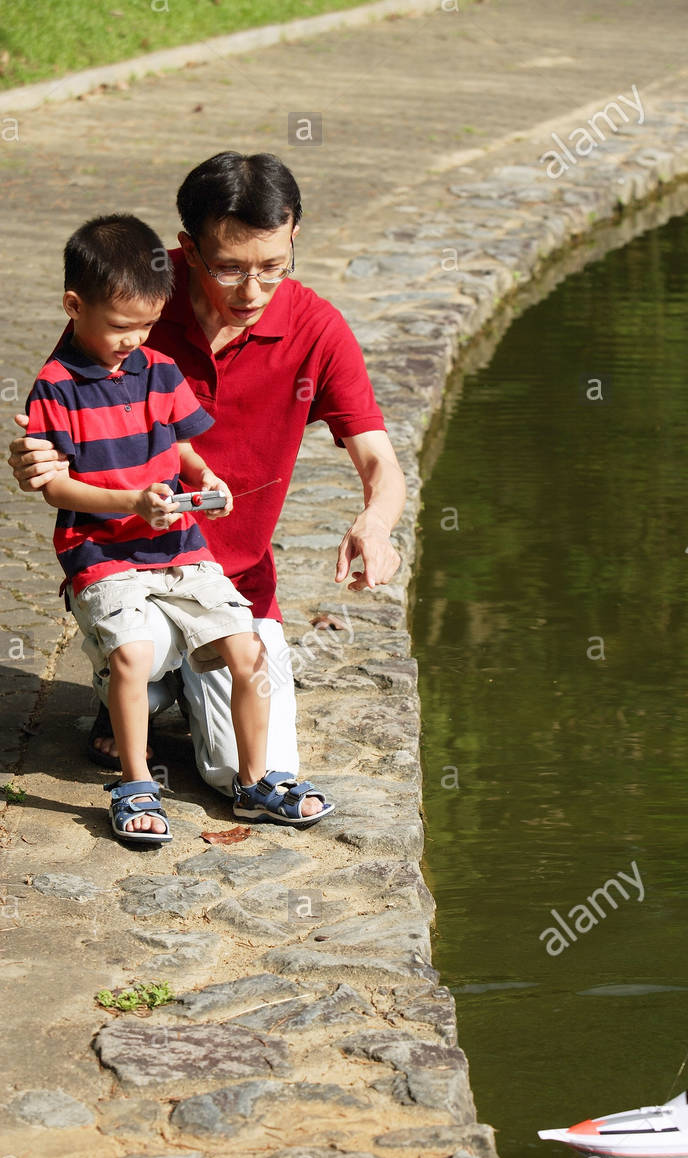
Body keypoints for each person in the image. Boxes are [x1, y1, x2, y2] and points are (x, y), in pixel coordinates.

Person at [8, 151, 405, 820]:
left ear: (293, 238)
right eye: (229, 268)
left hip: (236, 585)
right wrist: (36, 464)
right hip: (125, 563)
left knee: (239, 773)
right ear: (187, 249)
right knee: (141, 657)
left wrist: (377, 520)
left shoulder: (315, 328)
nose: (252, 292)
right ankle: (138, 685)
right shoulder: (129, 297)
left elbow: (377, 457)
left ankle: (173, 695)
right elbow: (57, 427)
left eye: (273, 267)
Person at [27, 212, 333, 844]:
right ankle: (136, 780)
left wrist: (209, 482)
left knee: (246, 651)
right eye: (118, 327)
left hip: (178, 548)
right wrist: (130, 503)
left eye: (144, 325)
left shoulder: (158, 368)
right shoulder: (55, 387)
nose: (132, 340)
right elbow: (55, 485)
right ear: (73, 307)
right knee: (134, 654)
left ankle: (255, 782)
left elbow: (185, 447)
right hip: (103, 554)